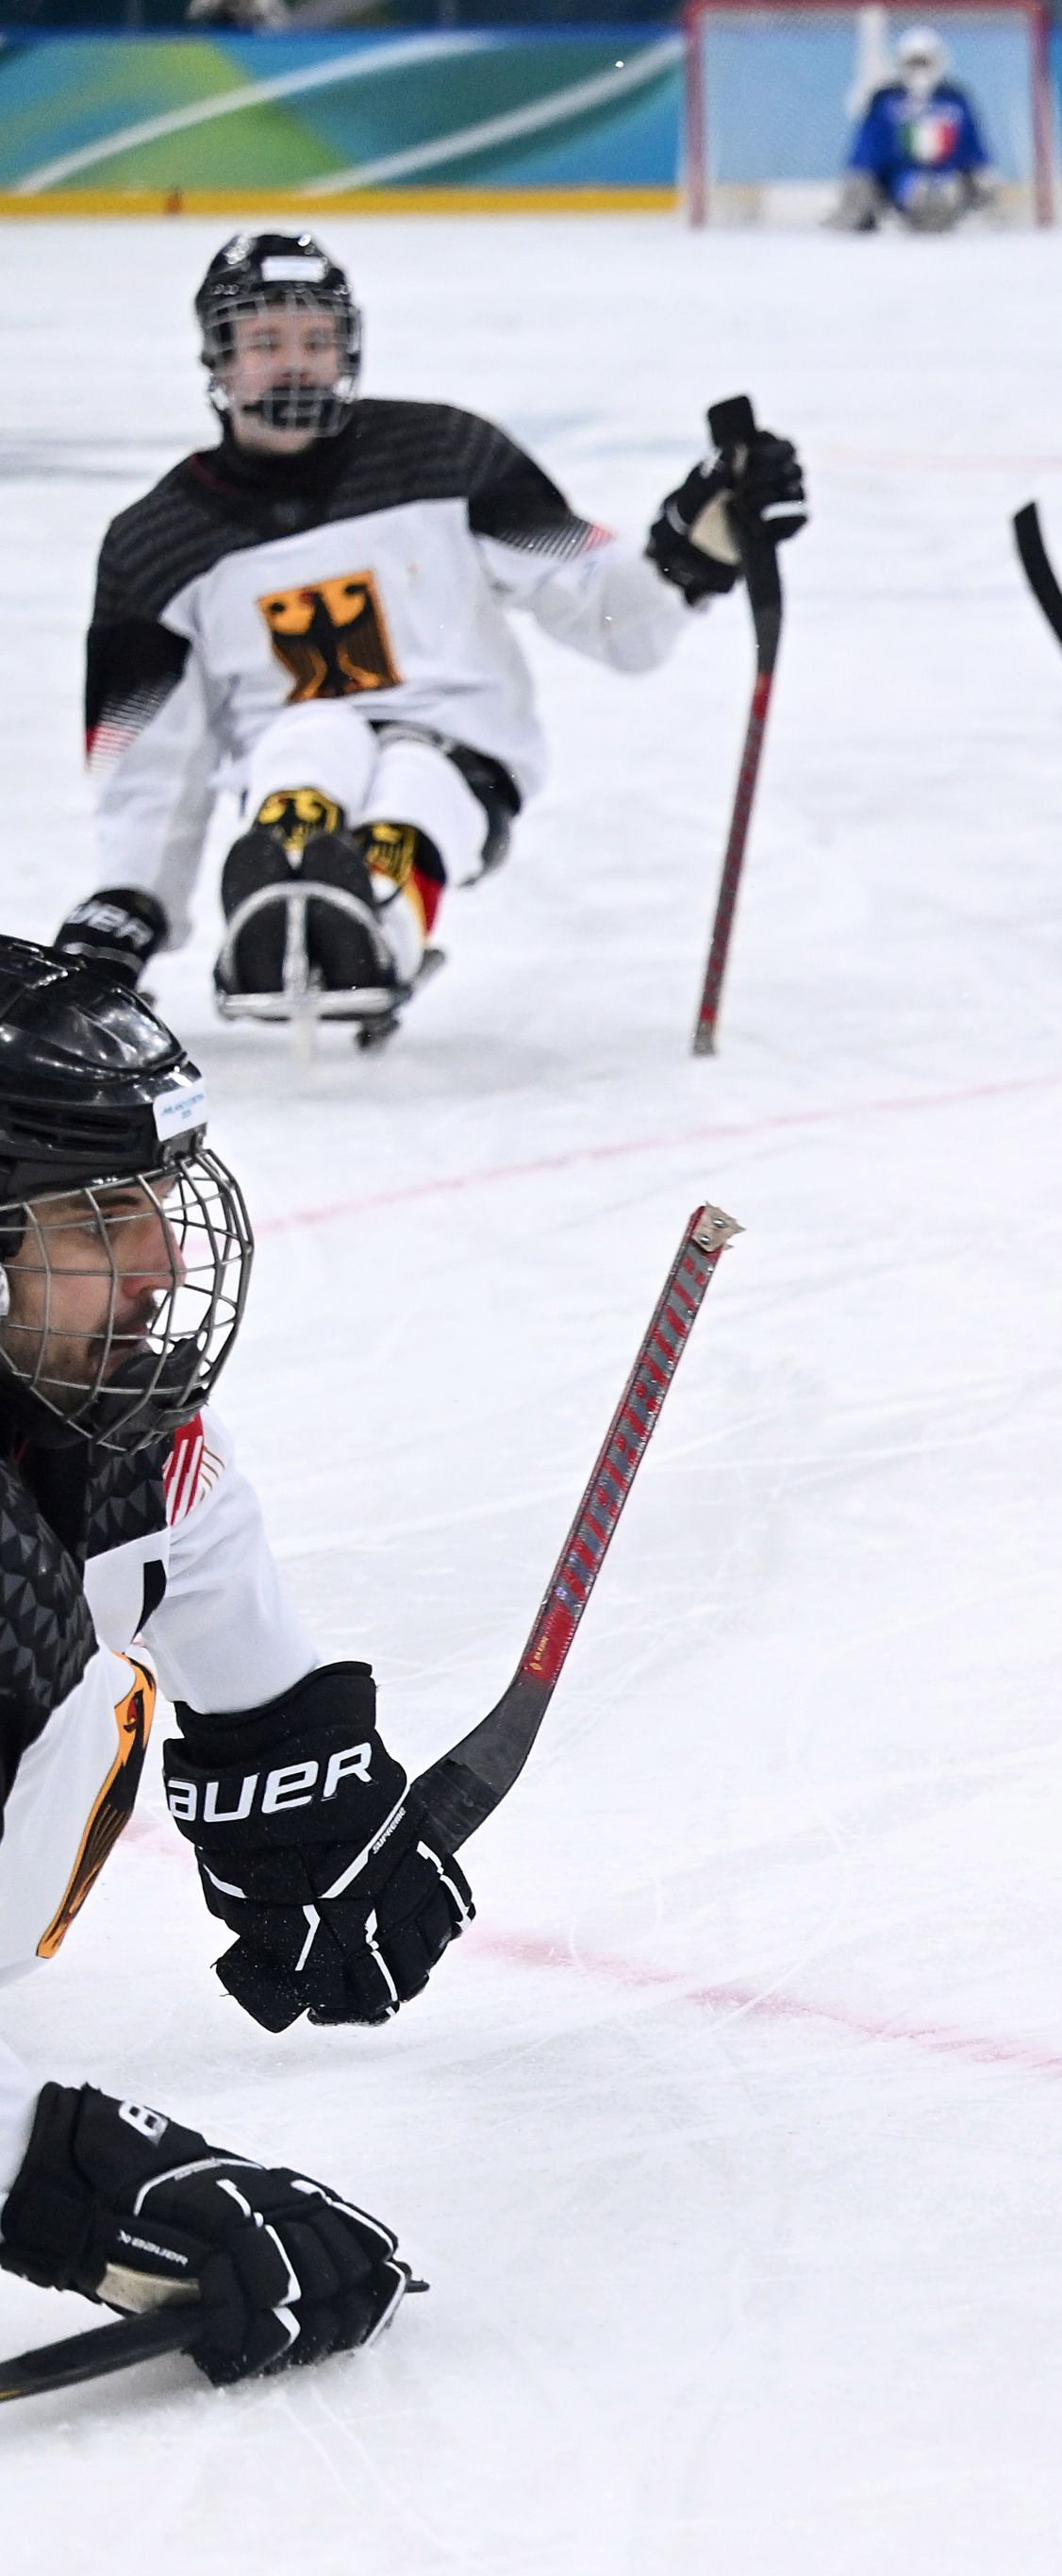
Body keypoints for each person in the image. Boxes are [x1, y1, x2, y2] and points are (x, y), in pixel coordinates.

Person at [0, 940, 459, 2384]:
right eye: (100, 1218)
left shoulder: (103, 1429)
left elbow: (191, 1545)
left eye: (161, 1205)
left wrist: (302, 1797)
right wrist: (69, 2176)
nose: (164, 1264)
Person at [55, 233, 809, 1036]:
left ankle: (376, 920)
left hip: (462, 745)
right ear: (218, 356)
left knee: (417, 781)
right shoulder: (156, 543)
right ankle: (287, 892)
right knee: (308, 744)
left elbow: (607, 616)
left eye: (316, 339)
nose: (297, 363)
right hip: (292, 748)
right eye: (265, 342)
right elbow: (153, 762)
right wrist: (132, 899)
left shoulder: (448, 455)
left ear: (349, 346)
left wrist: (689, 548)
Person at [832, 25, 996, 235]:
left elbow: (973, 146)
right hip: (898, 183)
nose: (919, 70)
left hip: (949, 178)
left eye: (924, 62)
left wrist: (982, 173)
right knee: (907, 189)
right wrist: (861, 183)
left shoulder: (956, 100)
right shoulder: (885, 101)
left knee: (950, 188)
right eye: (913, 62)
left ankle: (953, 208)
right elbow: (867, 149)